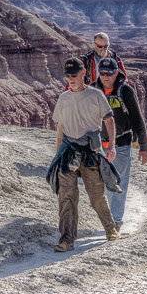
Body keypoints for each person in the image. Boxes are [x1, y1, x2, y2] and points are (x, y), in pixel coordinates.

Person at [47, 58, 122, 252]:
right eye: (68, 75)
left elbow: (109, 119)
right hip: (68, 153)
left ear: (83, 75)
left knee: (96, 195)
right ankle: (67, 239)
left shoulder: (95, 95)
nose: (70, 78)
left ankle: (110, 228)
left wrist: (111, 146)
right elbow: (60, 128)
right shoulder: (63, 98)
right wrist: (57, 155)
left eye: (74, 75)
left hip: (90, 153)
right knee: (66, 197)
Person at [93, 57, 147, 227]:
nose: (105, 76)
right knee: (99, 183)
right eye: (102, 73)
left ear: (116, 73)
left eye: (109, 73)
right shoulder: (93, 91)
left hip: (122, 144)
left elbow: (138, 120)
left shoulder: (125, 91)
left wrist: (143, 147)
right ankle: (108, 218)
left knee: (118, 183)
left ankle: (115, 221)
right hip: (98, 145)